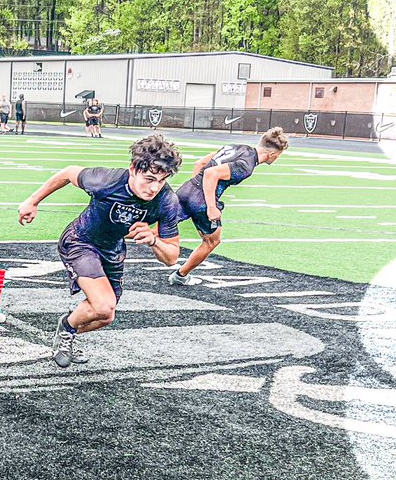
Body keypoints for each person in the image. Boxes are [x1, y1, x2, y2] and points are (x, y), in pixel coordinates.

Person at [18, 135, 184, 368]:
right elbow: (68, 172)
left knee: (106, 316)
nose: (154, 187)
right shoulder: (106, 180)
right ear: (133, 169)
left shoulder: (167, 201)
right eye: (149, 179)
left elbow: (172, 257)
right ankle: (66, 333)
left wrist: (154, 240)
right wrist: (32, 202)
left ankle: (67, 327)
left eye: (161, 180)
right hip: (80, 241)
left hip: (113, 249)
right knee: (103, 304)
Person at [167, 127, 290, 286]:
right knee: (212, 241)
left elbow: (201, 163)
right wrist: (211, 206)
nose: (277, 158)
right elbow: (211, 173)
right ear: (272, 154)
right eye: (278, 156)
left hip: (187, 189)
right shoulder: (247, 165)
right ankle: (180, 276)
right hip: (202, 201)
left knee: (157, 229)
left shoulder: (236, 147)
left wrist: (195, 187)